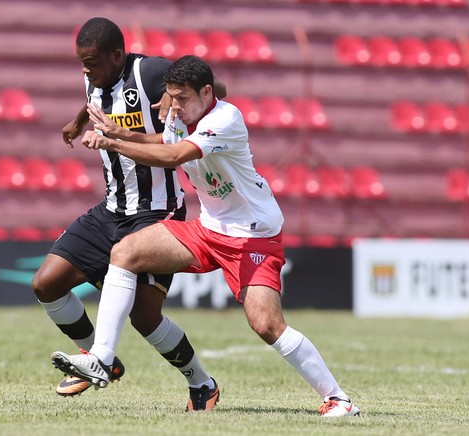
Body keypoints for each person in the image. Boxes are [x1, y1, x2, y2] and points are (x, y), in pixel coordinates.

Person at [51, 55, 361, 417]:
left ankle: (340, 399)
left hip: (252, 236)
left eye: (181, 98)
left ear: (207, 92)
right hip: (209, 228)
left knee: (266, 325)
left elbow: (173, 155)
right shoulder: (181, 117)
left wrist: (111, 144)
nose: (175, 106)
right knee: (125, 252)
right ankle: (101, 358)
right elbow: (162, 140)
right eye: (172, 97)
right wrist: (120, 132)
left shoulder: (225, 119)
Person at [33, 18, 223, 411]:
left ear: (117, 55)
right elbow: (98, 100)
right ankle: (98, 359)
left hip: (157, 214)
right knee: (46, 283)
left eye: (92, 63)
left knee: (144, 317)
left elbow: (213, 88)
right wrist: (78, 121)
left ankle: (202, 383)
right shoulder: (96, 77)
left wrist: (174, 97)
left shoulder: (149, 72)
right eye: (81, 64)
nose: (85, 70)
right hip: (112, 209)